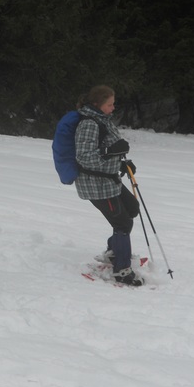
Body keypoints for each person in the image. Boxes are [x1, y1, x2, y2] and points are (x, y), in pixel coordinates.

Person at [74, 85, 144, 286]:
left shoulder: (101, 119)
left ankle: (114, 251)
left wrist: (121, 161)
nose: (113, 108)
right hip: (96, 184)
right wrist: (110, 152)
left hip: (108, 179)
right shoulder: (88, 124)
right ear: (96, 104)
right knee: (122, 223)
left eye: (113, 103)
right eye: (109, 104)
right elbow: (84, 157)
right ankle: (121, 270)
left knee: (131, 209)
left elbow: (105, 150)